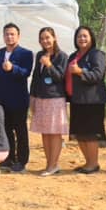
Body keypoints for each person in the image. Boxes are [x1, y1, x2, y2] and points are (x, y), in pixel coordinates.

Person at [0, 23, 33, 173]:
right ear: (3, 36)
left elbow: (26, 72)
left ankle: (22, 160)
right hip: (2, 99)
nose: (9, 37)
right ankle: (8, 158)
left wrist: (12, 68)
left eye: (12, 34)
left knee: (20, 130)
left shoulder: (26, 53)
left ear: (18, 36)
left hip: (18, 99)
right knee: (6, 129)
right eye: (7, 34)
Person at [66, 26, 106, 175]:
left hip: (92, 101)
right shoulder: (73, 56)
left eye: (85, 36)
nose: (82, 39)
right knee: (80, 134)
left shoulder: (97, 54)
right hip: (77, 100)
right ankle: (88, 162)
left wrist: (80, 71)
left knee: (90, 134)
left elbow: (98, 75)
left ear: (91, 38)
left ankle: (93, 164)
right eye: (79, 36)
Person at [29, 27, 69, 176]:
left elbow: (60, 77)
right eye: (42, 38)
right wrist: (32, 97)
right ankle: (49, 164)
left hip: (55, 98)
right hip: (41, 98)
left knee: (55, 132)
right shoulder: (40, 55)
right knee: (45, 132)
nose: (45, 41)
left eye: (47, 37)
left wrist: (49, 65)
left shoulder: (62, 56)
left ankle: (53, 164)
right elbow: (35, 77)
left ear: (54, 38)